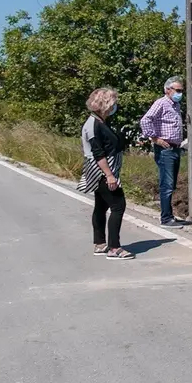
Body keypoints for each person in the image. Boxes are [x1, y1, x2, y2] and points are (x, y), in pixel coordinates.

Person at [77, 87, 133, 259]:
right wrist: (109, 175)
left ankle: (100, 243)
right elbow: (98, 153)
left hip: (104, 169)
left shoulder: (99, 121)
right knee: (118, 205)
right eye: (112, 102)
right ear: (105, 104)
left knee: (101, 206)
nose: (114, 106)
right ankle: (114, 247)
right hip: (102, 170)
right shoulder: (93, 125)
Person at [139, 76, 186, 228]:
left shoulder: (175, 105)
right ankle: (166, 218)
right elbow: (146, 120)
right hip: (165, 149)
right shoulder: (161, 103)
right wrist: (155, 138)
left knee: (171, 184)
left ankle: (169, 215)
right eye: (177, 90)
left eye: (181, 90)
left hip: (175, 148)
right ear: (168, 90)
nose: (180, 93)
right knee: (166, 184)